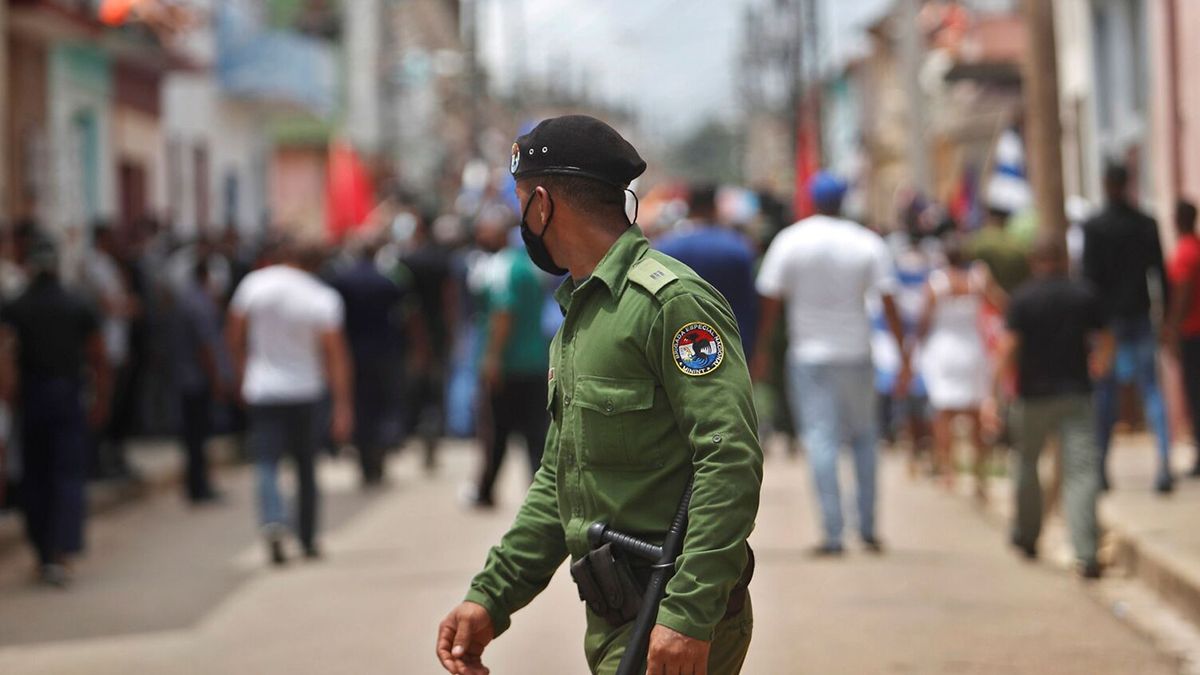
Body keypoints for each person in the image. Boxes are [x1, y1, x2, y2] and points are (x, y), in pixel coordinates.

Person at [436, 116, 761, 675]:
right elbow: (560, 477)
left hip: (668, 613)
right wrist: (492, 595)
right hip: (620, 618)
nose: (521, 220)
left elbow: (728, 458)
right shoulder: (582, 313)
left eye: (521, 202)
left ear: (542, 204)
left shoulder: (669, 303)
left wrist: (688, 615)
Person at [753, 171, 909, 556]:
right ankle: (867, 528)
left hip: (809, 355)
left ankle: (833, 533)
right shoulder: (866, 241)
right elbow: (889, 299)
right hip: (857, 353)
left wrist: (760, 350)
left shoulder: (791, 240)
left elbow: (769, 301)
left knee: (820, 439)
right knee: (865, 438)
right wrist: (903, 352)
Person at [984, 234, 1113, 578]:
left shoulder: (1023, 298)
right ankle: (1086, 551)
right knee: (1081, 471)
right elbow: (1106, 337)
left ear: (1033, 262)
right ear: (1064, 260)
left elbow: (1008, 347)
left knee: (1027, 464)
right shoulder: (1083, 294)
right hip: (1076, 394)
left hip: (1033, 396)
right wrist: (1100, 364)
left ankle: (1027, 534)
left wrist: (995, 394)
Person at [226, 235, 353, 565]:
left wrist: (241, 375)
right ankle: (307, 538)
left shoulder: (255, 285)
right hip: (305, 391)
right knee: (306, 466)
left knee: (266, 461)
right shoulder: (321, 296)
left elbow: (234, 335)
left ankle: (273, 520)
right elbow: (335, 354)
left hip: (262, 389)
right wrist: (343, 404)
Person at [0, 235, 108, 586]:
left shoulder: (17, 305)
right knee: (65, 475)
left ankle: (44, 553)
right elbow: (99, 355)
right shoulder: (76, 303)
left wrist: (9, 398)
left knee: (36, 475)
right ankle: (60, 551)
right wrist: (102, 398)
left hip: (32, 399)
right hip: (65, 397)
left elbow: (5, 357)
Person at [1082, 164, 1172, 493]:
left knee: (1106, 396)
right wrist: (1166, 318)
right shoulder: (1145, 224)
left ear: (1106, 183)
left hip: (1107, 324)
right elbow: (1160, 274)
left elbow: (1089, 280)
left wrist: (1089, 326)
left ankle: (1101, 466)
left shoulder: (1094, 227)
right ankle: (1164, 465)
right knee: (1151, 391)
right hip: (1140, 317)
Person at [464, 206, 550, 508]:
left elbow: (503, 312)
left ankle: (485, 490)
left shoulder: (502, 267)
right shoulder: (530, 265)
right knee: (535, 434)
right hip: (534, 361)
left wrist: (492, 358)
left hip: (508, 364)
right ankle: (540, 496)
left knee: (495, 430)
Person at [916, 240, 1007, 497]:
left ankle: (948, 471)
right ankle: (980, 475)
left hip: (943, 350)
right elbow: (1002, 304)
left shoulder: (937, 283)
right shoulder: (977, 279)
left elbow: (924, 319)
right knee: (976, 412)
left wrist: (917, 345)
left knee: (943, 413)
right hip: (972, 349)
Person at [331, 236, 415, 488]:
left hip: (354, 352)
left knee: (361, 405)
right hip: (384, 352)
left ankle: (365, 460)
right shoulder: (386, 282)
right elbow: (403, 314)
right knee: (383, 405)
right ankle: (379, 455)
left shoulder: (342, 281)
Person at [656, 183, 760, 360]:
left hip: (677, 346)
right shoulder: (739, 247)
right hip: (732, 345)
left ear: (689, 207)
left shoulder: (665, 248)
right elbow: (750, 303)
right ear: (714, 207)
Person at [81, 223, 140, 479]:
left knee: (117, 406)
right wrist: (128, 306)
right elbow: (107, 304)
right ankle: (98, 461)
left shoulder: (109, 265)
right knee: (104, 404)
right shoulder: (94, 265)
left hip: (117, 345)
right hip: (106, 348)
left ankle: (111, 457)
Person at [170, 260, 228, 504]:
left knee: (193, 436)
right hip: (196, 379)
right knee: (198, 436)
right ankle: (199, 487)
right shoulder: (199, 304)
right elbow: (205, 348)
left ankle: (197, 485)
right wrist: (217, 378)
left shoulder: (187, 300)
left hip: (186, 377)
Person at [1165, 199, 1200, 476]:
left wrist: (1172, 329)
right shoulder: (1195, 247)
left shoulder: (1185, 252)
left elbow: (1183, 293)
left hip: (1192, 332)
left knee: (1195, 395)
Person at [968, 206, 1030, 294]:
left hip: (994, 292)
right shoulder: (1016, 242)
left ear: (990, 219)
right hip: (1017, 290)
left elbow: (967, 253)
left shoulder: (983, 239)